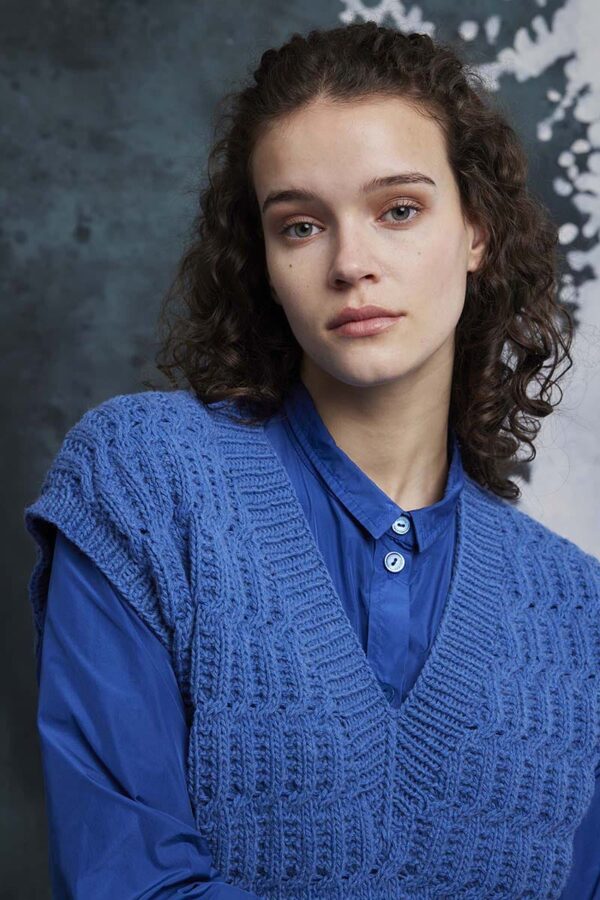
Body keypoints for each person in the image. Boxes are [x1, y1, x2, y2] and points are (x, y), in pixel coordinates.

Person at [24, 21, 600, 900]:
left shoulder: (580, 615)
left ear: (476, 231)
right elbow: (129, 882)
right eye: (300, 226)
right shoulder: (142, 484)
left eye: (398, 209)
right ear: (263, 260)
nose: (351, 264)